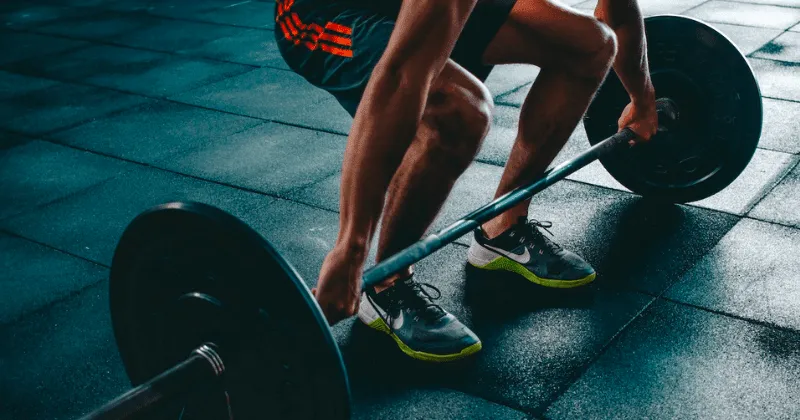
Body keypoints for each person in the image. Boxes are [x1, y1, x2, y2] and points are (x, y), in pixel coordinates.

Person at [274, 0, 658, 362]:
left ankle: (503, 226)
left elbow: (618, 14)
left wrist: (642, 100)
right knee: (461, 109)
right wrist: (350, 249)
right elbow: (402, 75)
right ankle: (388, 284)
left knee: (590, 45)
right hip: (324, 13)